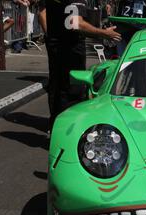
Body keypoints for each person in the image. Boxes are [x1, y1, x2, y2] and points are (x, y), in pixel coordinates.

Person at [39, 0, 122, 133]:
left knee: (57, 86)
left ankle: (55, 126)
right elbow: (76, 23)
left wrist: (52, 37)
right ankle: (69, 131)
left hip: (56, 45)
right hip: (70, 48)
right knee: (72, 90)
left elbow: (42, 13)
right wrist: (104, 33)